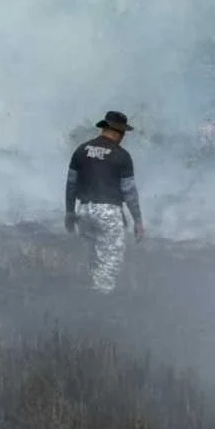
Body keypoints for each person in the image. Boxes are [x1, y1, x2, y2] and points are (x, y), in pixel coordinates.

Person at [65, 110, 145, 293]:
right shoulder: (122, 156)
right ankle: (101, 298)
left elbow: (71, 184)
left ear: (104, 128)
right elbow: (129, 192)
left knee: (92, 256)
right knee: (110, 260)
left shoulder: (81, 150)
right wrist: (138, 221)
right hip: (109, 212)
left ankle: (86, 295)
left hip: (84, 210)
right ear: (120, 132)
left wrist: (69, 211)